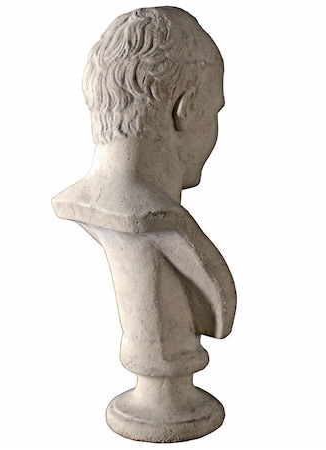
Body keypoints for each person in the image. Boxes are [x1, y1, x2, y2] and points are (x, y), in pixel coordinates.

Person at [52, 7, 236, 442]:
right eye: (215, 111)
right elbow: (221, 316)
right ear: (184, 110)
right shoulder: (167, 231)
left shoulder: (82, 203)